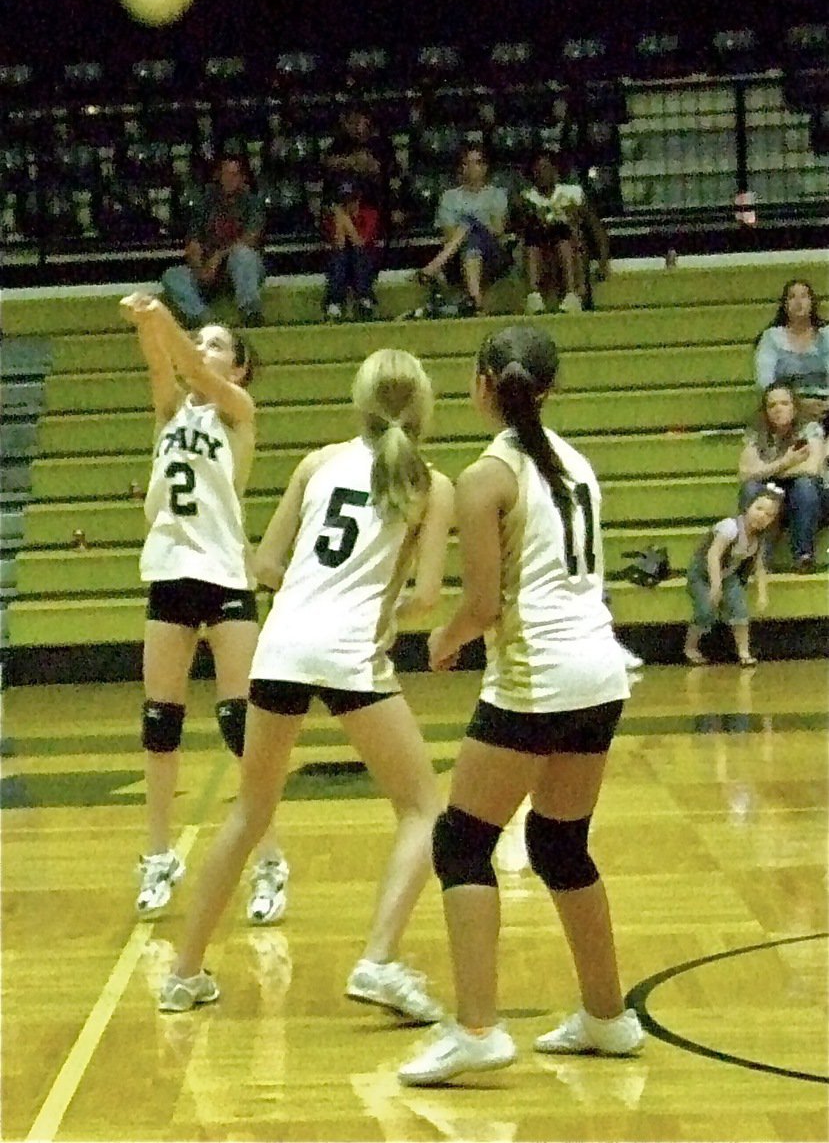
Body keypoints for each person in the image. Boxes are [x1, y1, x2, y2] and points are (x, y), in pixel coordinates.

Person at [157, 348, 455, 1022]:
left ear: (359, 401)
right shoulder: (432, 484)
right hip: (350, 650)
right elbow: (429, 597)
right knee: (422, 809)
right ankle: (378, 960)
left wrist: (314, 599)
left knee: (249, 813)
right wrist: (376, 611)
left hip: (282, 644)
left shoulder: (317, 462)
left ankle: (182, 975)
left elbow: (262, 562)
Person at [397, 325, 643, 1088]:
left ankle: (475, 1028)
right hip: (600, 672)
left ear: (479, 386)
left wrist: (441, 639)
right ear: (550, 390)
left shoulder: (484, 477)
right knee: (560, 845)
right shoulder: (577, 465)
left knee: (462, 843)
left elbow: (480, 603)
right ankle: (607, 1018)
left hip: (538, 677)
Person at [120, 293, 288, 925]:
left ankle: (269, 859)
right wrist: (147, 325)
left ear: (238, 370)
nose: (205, 348)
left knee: (240, 725)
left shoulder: (238, 413)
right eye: (202, 338)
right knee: (160, 720)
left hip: (222, 574)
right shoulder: (171, 413)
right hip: (168, 572)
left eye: (219, 344)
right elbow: (165, 370)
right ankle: (159, 856)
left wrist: (163, 319)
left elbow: (188, 366)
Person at [162, 154, 266, 329]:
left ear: (242, 178)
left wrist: (219, 256)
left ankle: (250, 312)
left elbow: (251, 238)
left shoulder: (252, 202)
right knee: (172, 275)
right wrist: (200, 269)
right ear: (218, 176)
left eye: (234, 175)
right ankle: (204, 318)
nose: (229, 179)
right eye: (226, 174)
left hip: (241, 270)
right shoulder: (205, 202)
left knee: (242, 254)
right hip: (210, 271)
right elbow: (193, 244)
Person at [683, 486, 784, 667]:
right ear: (747, 507)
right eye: (759, 509)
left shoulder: (760, 538)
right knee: (706, 609)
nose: (762, 516)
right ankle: (690, 647)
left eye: (769, 515)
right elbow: (713, 555)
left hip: (728, 575)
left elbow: (759, 567)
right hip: (703, 574)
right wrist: (715, 585)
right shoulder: (730, 527)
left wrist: (763, 594)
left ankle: (744, 652)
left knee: (739, 607)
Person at [738, 382, 824, 572]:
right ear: (766, 411)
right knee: (751, 489)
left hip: (808, 499)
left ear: (794, 408)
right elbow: (745, 473)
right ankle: (756, 556)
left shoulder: (809, 428)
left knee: (805, 486)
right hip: (773, 497)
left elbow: (812, 468)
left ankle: (803, 555)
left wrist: (768, 470)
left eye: (784, 403)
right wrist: (787, 462)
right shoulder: (757, 433)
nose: (778, 409)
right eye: (772, 405)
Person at [419, 146, 510, 316]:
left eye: (476, 163)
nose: (470, 168)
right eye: (466, 163)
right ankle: (476, 301)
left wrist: (476, 224)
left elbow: (498, 231)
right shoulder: (449, 197)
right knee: (470, 238)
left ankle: (434, 266)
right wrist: (471, 228)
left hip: (492, 254)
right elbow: (449, 235)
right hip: (456, 255)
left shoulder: (497, 195)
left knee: (471, 224)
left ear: (484, 167)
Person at [515, 152, 608, 315]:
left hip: (570, 246)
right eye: (536, 169)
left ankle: (572, 294)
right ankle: (534, 296)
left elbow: (596, 228)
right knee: (533, 238)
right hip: (542, 251)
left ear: (555, 170)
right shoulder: (527, 197)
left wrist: (602, 261)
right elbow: (520, 226)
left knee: (563, 236)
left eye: (544, 168)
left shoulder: (573, 193)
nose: (540, 173)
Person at [753, 280, 829, 422]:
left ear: (813, 303)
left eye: (804, 296)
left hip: (824, 404)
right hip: (786, 406)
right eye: (792, 297)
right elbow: (765, 382)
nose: (798, 302)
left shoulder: (826, 334)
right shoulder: (771, 337)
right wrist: (798, 405)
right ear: (785, 305)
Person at [323, 179, 381, 321]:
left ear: (358, 198)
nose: (348, 204)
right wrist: (339, 220)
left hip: (367, 261)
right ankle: (335, 302)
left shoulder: (370, 214)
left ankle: (364, 299)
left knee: (359, 255)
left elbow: (359, 242)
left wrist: (344, 219)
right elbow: (340, 244)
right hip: (342, 262)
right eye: (344, 201)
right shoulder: (332, 218)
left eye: (351, 200)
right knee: (339, 257)